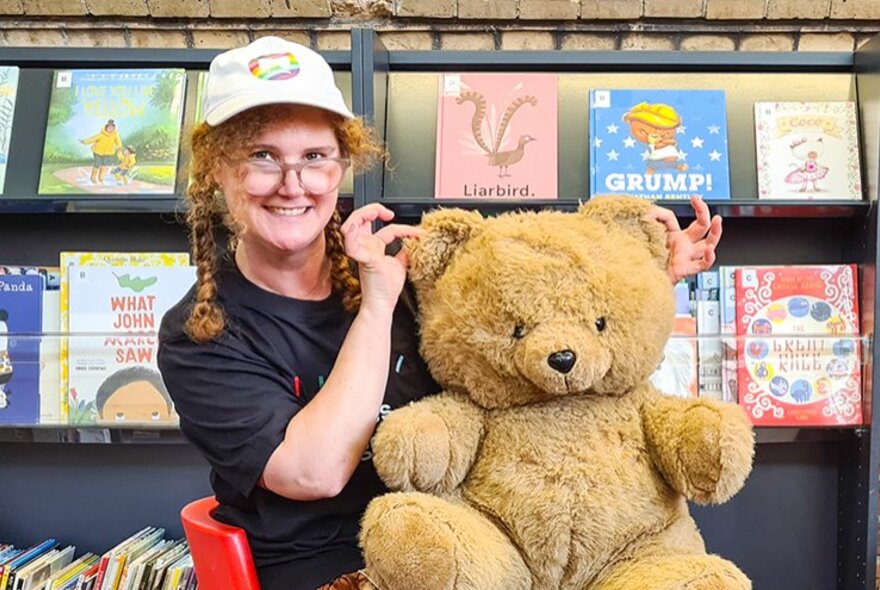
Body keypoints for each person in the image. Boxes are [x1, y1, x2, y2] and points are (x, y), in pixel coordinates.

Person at [157, 36, 722, 590]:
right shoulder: (202, 331)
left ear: (341, 166)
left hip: (482, 535)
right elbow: (316, 472)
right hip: (329, 564)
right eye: (263, 158)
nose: (293, 184)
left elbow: (513, 329)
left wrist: (641, 282)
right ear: (215, 170)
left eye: (315, 157)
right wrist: (376, 305)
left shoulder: (401, 265)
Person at [81, 118, 123, 185]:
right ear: (106, 127)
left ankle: (101, 177)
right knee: (97, 164)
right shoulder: (101, 134)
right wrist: (85, 141)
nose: (110, 129)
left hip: (107, 153)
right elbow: (93, 138)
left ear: (114, 128)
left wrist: (118, 147)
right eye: (109, 127)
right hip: (98, 151)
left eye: (112, 128)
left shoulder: (115, 135)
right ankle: (93, 177)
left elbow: (119, 143)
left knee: (104, 165)